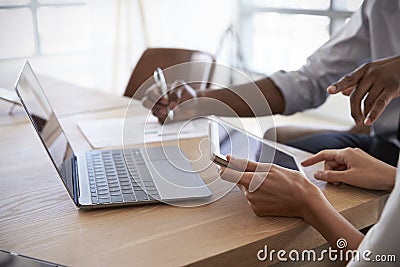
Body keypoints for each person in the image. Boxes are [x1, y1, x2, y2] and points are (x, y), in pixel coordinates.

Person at [142, 0, 400, 166]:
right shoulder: (380, 8)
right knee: (277, 152)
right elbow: (307, 81)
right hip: (385, 142)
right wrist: (199, 102)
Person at [218, 54, 400, 264]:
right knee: (283, 144)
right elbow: (309, 78)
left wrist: (308, 202)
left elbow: (375, 262)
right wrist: (391, 177)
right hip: (382, 142)